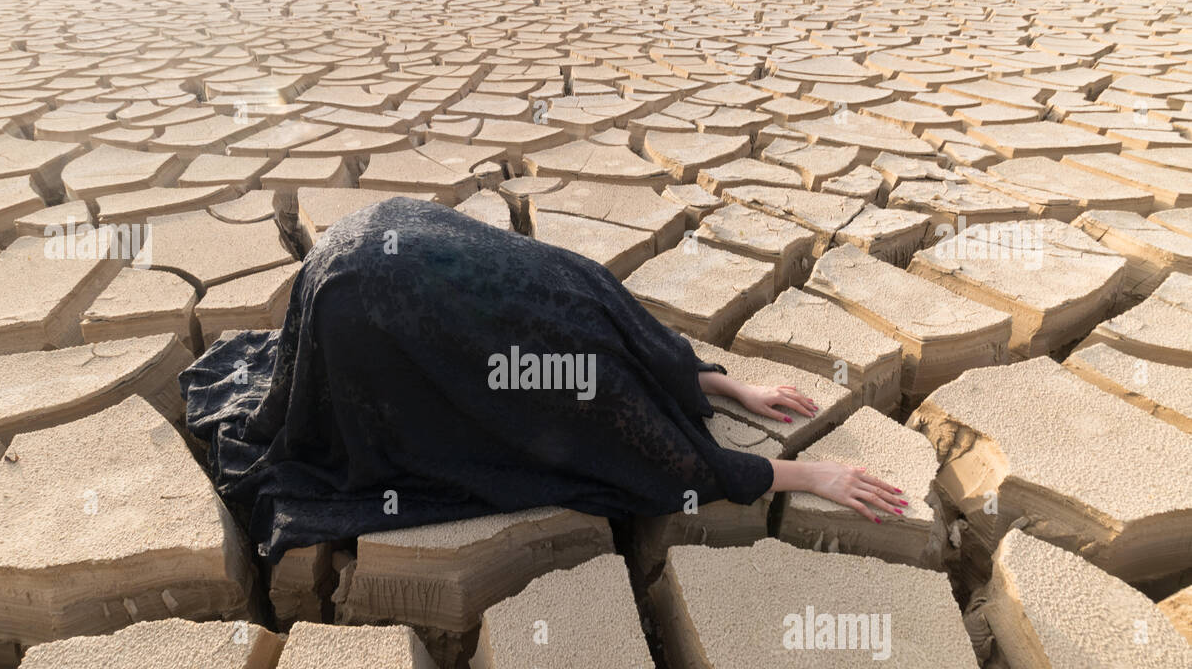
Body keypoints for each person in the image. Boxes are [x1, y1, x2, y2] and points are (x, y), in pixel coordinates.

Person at [181, 196, 906, 564]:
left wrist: (725, 385)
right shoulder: (580, 375)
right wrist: (807, 473)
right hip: (360, 296)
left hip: (374, 238)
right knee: (396, 412)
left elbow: (654, 352)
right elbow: (681, 468)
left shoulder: (592, 297)